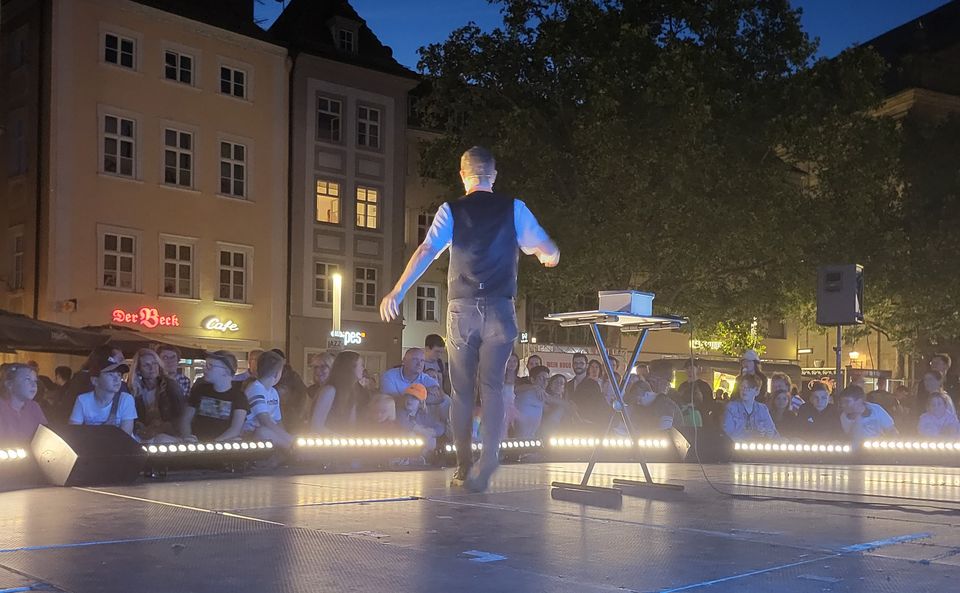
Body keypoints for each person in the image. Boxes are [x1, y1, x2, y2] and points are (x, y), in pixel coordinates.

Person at [380, 145, 559, 492]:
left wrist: (397, 292)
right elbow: (547, 249)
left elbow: (427, 250)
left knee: (462, 391)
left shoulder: (451, 210)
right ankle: (489, 456)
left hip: (462, 310)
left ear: (463, 175)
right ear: (494, 175)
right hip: (500, 309)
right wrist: (546, 254)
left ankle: (463, 467)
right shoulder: (515, 209)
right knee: (492, 388)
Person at [181, 351, 249, 442]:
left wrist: (213, 443)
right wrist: (188, 436)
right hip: (196, 441)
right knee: (162, 439)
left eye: (210, 366)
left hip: (222, 444)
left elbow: (235, 429)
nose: (205, 369)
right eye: (205, 365)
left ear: (226, 371)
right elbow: (185, 419)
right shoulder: (200, 390)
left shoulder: (239, 397)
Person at [68, 351, 137, 436]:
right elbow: (73, 432)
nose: (117, 379)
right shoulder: (83, 400)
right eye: (111, 374)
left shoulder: (126, 399)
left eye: (119, 375)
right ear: (95, 380)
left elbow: (126, 437)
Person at [241, 350, 294, 449]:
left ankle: (288, 451)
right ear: (276, 374)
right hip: (250, 434)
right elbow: (265, 420)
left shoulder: (273, 392)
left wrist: (286, 435)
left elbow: (278, 421)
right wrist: (290, 440)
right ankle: (292, 451)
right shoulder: (255, 389)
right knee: (263, 432)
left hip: (268, 432)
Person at [129, 348, 184, 443]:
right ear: (138, 369)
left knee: (160, 439)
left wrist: (157, 429)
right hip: (143, 435)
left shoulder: (171, 386)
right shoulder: (134, 389)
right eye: (146, 365)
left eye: (155, 363)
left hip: (168, 434)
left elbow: (179, 417)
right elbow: (132, 420)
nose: (152, 368)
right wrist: (139, 427)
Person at [314, 350, 370, 433]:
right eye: (361, 365)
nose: (363, 368)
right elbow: (316, 426)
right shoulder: (330, 391)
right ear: (351, 367)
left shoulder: (353, 392)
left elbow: (351, 427)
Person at [0, 363, 47, 445]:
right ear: (9, 384)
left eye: (35, 381)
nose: (34, 385)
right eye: (27, 379)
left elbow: (45, 434)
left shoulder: (34, 407)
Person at [723, 374, 778, 440]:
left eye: (749, 388)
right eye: (742, 387)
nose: (744, 390)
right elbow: (727, 433)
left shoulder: (762, 409)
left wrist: (767, 432)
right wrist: (753, 434)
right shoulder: (731, 408)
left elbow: (772, 431)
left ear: (757, 391)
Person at [396, 383, 445, 454]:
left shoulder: (424, 414)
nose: (409, 400)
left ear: (421, 402)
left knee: (431, 440)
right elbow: (404, 423)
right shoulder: (400, 412)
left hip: (422, 449)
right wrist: (421, 431)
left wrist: (431, 432)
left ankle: (424, 458)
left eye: (414, 398)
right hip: (401, 448)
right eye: (408, 396)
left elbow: (440, 427)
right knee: (411, 435)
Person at [566, 352, 606, 430]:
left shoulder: (593, 385)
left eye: (581, 363)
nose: (578, 365)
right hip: (570, 427)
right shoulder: (568, 384)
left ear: (587, 365)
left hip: (588, 425)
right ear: (572, 365)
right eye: (576, 363)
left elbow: (598, 405)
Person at [514, 365, 550, 439]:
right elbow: (515, 390)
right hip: (518, 439)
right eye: (541, 378)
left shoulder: (543, 395)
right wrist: (534, 386)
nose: (545, 382)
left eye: (547, 379)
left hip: (533, 439)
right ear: (532, 380)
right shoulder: (526, 392)